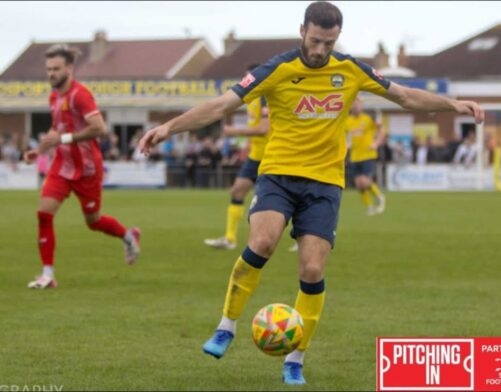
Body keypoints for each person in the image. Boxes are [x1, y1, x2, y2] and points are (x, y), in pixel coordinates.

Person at [139, 1, 483, 385]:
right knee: (263, 242)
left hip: (324, 183)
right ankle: (226, 326)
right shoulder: (277, 69)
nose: (321, 50)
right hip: (278, 176)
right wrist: (169, 127)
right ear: (302, 30)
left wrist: (453, 104)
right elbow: (222, 105)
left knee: (313, 269)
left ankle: (295, 359)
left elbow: (404, 96)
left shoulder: (350, 69)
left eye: (329, 43)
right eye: (316, 40)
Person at [23, 44, 141, 289]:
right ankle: (48, 275)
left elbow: (100, 128)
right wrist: (40, 150)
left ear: (69, 68)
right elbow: (58, 129)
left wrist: (63, 139)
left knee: (94, 221)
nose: (51, 74)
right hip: (62, 166)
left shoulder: (80, 95)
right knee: (43, 214)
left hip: (87, 169)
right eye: (48, 69)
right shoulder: (54, 96)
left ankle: (128, 236)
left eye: (56, 69)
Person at [204, 64, 271, 250]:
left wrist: (233, 131)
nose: (245, 81)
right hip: (256, 156)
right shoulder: (252, 100)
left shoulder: (265, 97)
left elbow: (264, 129)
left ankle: (304, 235)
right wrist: (247, 145)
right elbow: (256, 128)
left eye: (248, 77)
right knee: (237, 191)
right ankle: (230, 239)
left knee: (278, 202)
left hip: (272, 157)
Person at [346, 98, 386, 215]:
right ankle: (369, 206)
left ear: (362, 106)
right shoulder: (347, 121)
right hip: (354, 156)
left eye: (358, 104)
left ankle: (379, 196)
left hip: (368, 154)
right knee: (359, 185)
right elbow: (344, 136)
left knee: (364, 181)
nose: (356, 106)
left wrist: (376, 143)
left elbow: (381, 131)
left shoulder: (367, 119)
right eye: (354, 104)